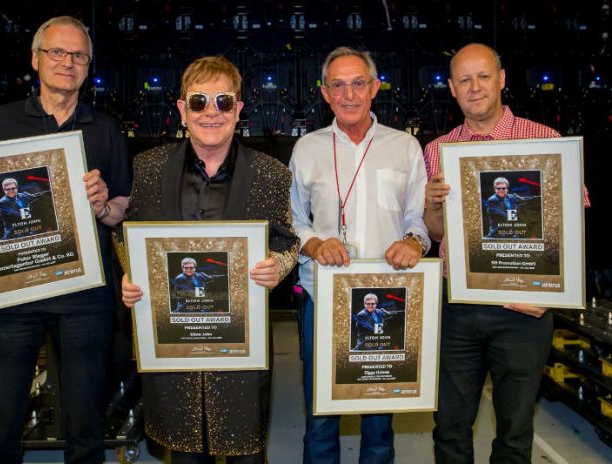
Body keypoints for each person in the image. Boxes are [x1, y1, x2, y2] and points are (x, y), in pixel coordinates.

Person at [0, 16, 131, 464]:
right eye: (58, 52)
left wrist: (104, 207)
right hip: (11, 298)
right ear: (36, 59)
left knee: (85, 421)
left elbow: (123, 205)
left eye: (78, 55)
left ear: (89, 66)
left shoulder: (105, 129)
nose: (68, 62)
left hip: (84, 297)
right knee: (1, 419)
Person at [120, 56, 298, 464]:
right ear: (182, 110)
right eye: (199, 102)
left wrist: (278, 265)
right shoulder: (148, 168)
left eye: (223, 101)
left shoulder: (270, 173)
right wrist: (130, 274)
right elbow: (128, 235)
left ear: (239, 109)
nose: (211, 112)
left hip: (240, 348)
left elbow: (287, 240)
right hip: (175, 345)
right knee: (184, 456)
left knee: (245, 455)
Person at [423, 42, 590, 464]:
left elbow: (572, 226)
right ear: (452, 88)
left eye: (483, 76)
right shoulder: (437, 150)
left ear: (501, 79)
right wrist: (431, 206)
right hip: (457, 306)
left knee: (515, 433)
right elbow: (436, 234)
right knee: (449, 428)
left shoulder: (546, 141)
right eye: (464, 79)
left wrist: (550, 294)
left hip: (524, 308)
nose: (475, 87)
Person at [289, 46, 430, 464]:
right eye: (338, 85)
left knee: (379, 417)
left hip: (387, 298)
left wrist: (414, 242)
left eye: (357, 83)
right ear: (324, 93)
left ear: (374, 88)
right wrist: (314, 243)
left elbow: (418, 221)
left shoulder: (405, 147)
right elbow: (292, 221)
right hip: (324, 298)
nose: (348, 94)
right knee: (320, 416)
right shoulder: (307, 149)